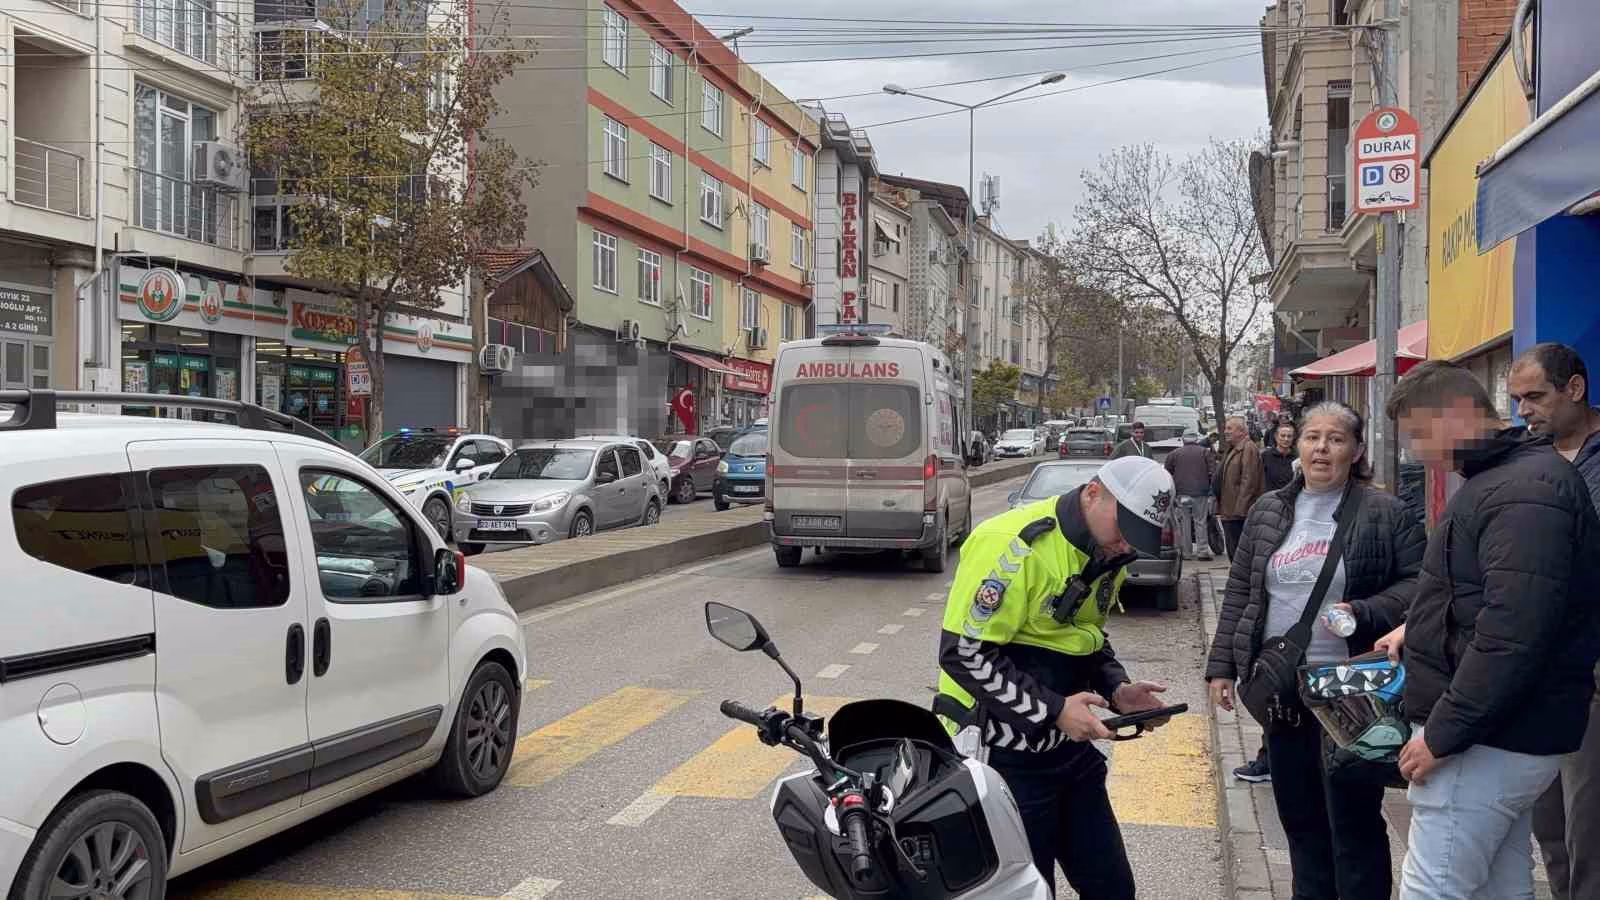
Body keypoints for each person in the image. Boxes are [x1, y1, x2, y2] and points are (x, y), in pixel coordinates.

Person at [1376, 360, 1600, 900]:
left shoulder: (1523, 490)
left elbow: (1512, 631)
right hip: (1507, 732)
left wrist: (1444, 734)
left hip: (1488, 740)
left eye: (1418, 434)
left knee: (1435, 889)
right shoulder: (1513, 480)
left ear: (1455, 414)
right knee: (1500, 887)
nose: (1417, 453)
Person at [1206, 402, 1426, 900]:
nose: (1321, 448)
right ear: (1297, 446)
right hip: (1283, 689)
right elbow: (1242, 591)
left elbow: (1421, 586)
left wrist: (1365, 612)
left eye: (1336, 439)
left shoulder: (1384, 513)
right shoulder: (1269, 510)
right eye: (1312, 437)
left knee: (1352, 820)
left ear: (1357, 450)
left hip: (1351, 694)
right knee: (1300, 816)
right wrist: (1221, 666)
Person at [934, 456, 1177, 898]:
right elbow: (963, 653)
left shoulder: (1110, 551)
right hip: (1003, 757)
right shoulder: (1011, 543)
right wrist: (1054, 710)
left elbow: (1086, 637)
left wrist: (1117, 689)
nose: (1126, 546)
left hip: (1071, 753)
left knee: (1114, 888)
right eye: (1124, 529)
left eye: (1138, 536)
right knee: (1030, 891)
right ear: (1092, 493)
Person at [1510, 343, 1600, 900]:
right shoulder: (1525, 459)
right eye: (1517, 399)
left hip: (1590, 669)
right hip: (1533, 667)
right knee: (1549, 823)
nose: (1524, 410)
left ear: (1575, 389)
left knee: (1588, 819)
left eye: (1535, 396)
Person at [1164, 431, 1216, 560]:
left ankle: (1186, 552)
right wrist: (1211, 490)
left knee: (1184, 523)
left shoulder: (1174, 454)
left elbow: (1167, 472)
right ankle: (1202, 551)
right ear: (1196, 439)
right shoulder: (1205, 452)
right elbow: (1213, 472)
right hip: (1200, 492)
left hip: (1181, 493)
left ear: (1183, 440)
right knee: (1200, 521)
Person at [1217, 416, 1263, 561]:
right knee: (1233, 551)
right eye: (1226, 428)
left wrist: (1240, 510)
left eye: (1229, 428)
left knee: (1239, 555)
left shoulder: (1247, 448)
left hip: (1238, 514)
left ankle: (1241, 583)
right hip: (1230, 511)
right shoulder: (1233, 448)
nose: (1226, 432)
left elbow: (1249, 481)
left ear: (1241, 431)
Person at [1262, 421, 1298, 492]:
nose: (1286, 439)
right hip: (1272, 499)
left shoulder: (1297, 457)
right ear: (1276, 437)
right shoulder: (1266, 456)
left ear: (1293, 438)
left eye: (1289, 436)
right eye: (1283, 435)